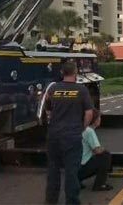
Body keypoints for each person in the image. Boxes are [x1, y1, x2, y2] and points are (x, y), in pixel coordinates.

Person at [44, 60, 94, 205]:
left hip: (54, 135)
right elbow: (89, 113)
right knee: (71, 171)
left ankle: (51, 199)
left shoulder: (53, 89)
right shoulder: (81, 90)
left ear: (61, 73)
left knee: (53, 169)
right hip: (72, 136)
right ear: (76, 72)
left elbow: (47, 109)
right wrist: (82, 127)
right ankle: (71, 201)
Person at [78, 110, 113, 191]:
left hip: (74, 166)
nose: (100, 119)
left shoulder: (82, 128)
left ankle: (77, 181)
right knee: (105, 156)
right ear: (95, 120)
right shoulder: (89, 131)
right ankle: (100, 184)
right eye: (99, 118)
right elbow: (97, 150)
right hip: (82, 167)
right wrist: (103, 149)